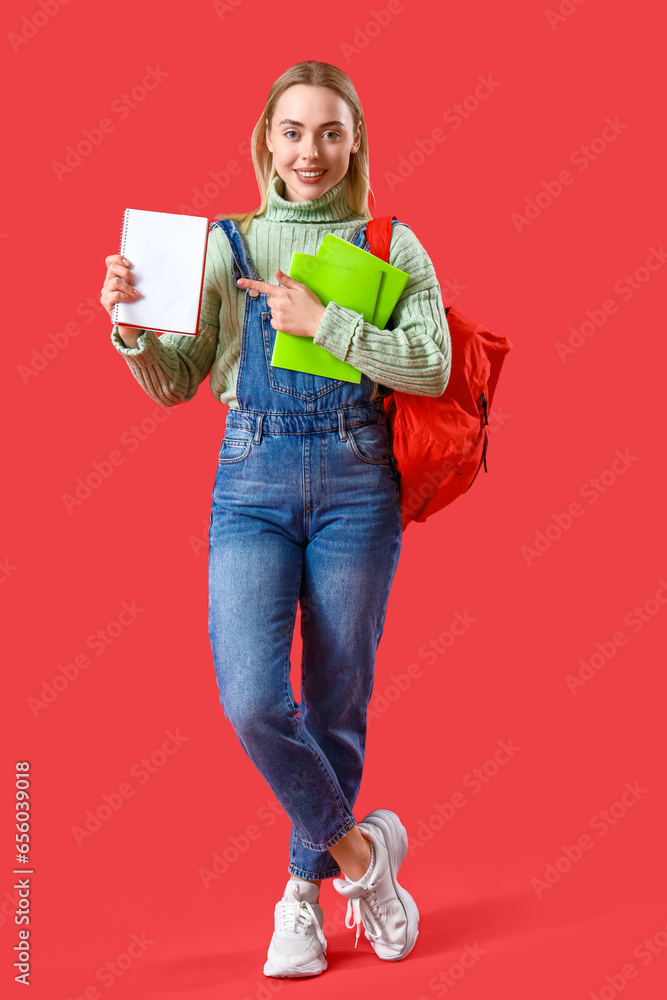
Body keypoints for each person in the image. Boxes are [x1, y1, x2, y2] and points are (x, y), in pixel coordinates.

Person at [101, 59, 451, 979]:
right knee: (255, 699)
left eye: (331, 133)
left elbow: (432, 365)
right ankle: (362, 860)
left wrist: (325, 321)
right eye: (293, 131)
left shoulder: (390, 241)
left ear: (355, 144)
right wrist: (132, 329)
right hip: (250, 477)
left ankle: (301, 894)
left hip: (357, 480)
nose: (310, 151)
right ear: (266, 140)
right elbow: (179, 386)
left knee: (336, 699)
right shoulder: (226, 244)